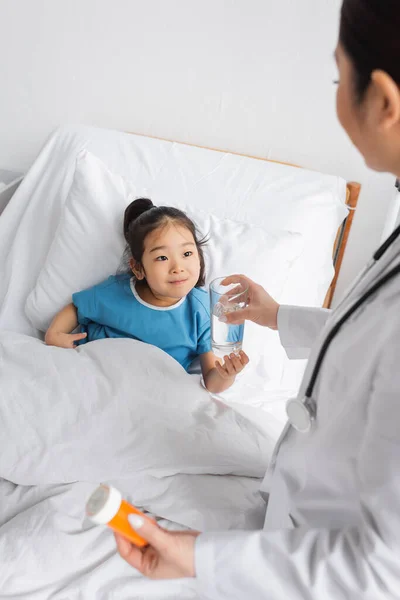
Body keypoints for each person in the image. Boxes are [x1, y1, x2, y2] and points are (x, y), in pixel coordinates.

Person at [113, 0, 400, 597]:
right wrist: (275, 316)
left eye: (337, 76)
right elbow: (375, 339)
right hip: (287, 518)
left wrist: (201, 557)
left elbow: (378, 569)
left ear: (384, 101)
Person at [45, 198, 249, 393]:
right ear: (138, 268)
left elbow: (212, 382)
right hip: (94, 374)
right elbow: (77, 308)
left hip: (150, 391)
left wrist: (225, 375)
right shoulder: (116, 292)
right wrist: (54, 334)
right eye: (162, 257)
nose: (177, 268)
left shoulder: (202, 311)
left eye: (187, 254)